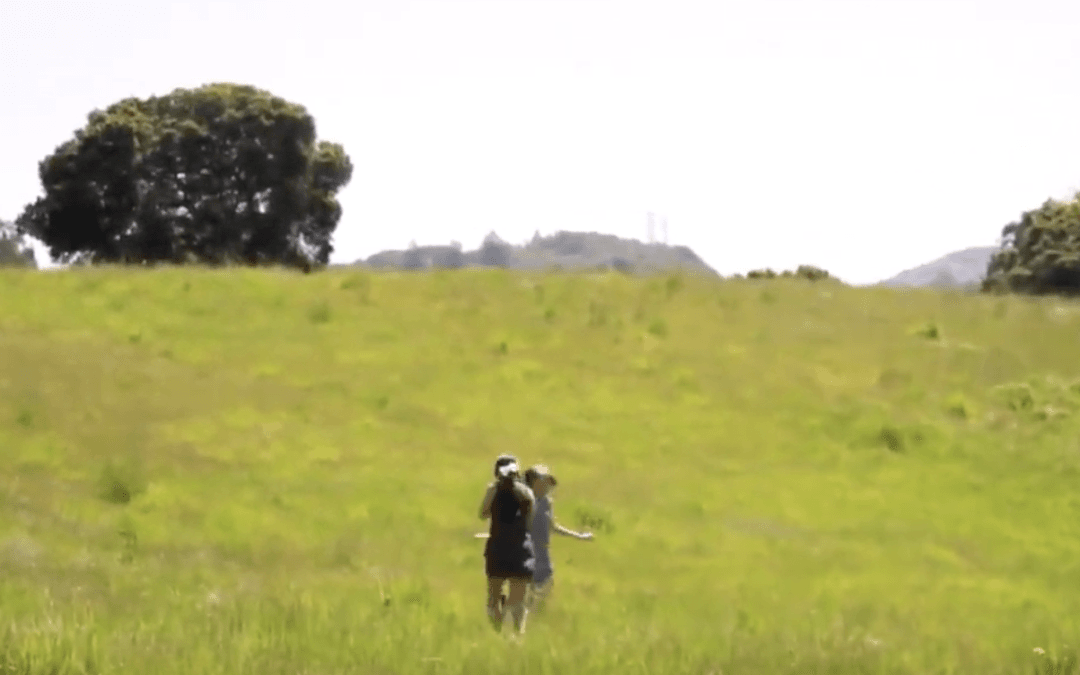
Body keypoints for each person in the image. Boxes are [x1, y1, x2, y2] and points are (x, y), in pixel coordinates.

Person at [478, 454, 536, 636]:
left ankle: (497, 631)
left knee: (494, 596)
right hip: (520, 548)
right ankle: (518, 636)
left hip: (497, 547)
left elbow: (483, 513)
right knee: (519, 599)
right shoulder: (526, 493)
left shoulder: (493, 490)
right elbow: (530, 519)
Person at [523, 464, 593, 613]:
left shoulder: (547, 503)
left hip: (544, 559)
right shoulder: (523, 502)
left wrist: (579, 536)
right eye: (542, 481)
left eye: (547, 482)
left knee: (542, 601)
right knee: (526, 601)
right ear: (533, 483)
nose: (546, 485)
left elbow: (552, 527)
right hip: (526, 559)